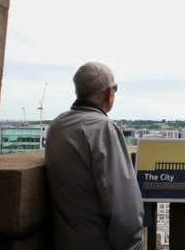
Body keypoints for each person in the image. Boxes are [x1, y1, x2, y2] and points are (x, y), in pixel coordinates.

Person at [45, 62, 144, 250]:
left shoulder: (57, 125)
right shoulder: (103, 128)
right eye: (115, 88)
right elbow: (124, 210)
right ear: (108, 93)